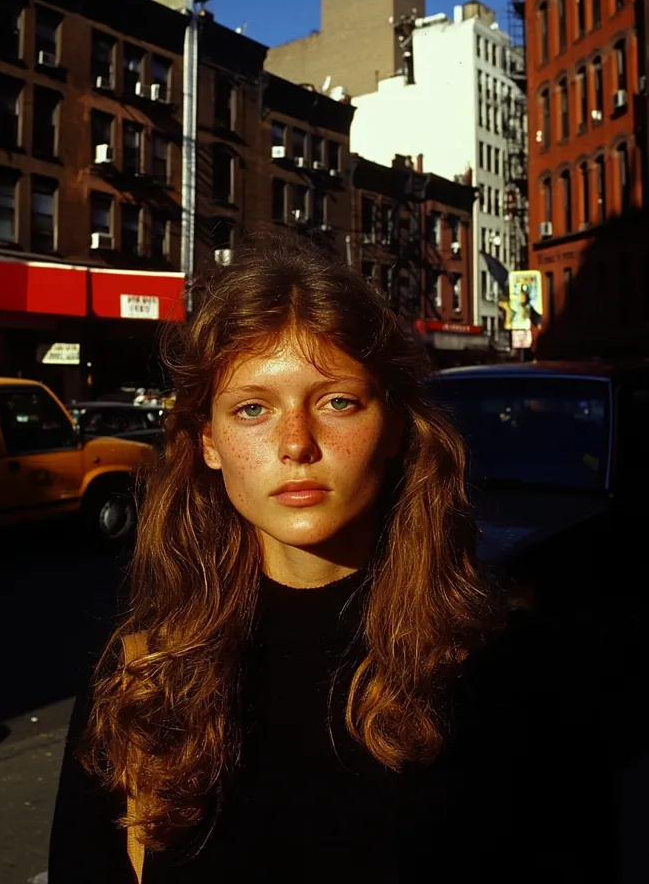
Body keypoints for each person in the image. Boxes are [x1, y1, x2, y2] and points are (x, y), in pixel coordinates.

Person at [49, 235, 616, 883]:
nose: (295, 443)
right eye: (253, 408)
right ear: (209, 442)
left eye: (336, 401)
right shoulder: (145, 680)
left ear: (395, 426)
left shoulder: (513, 672)